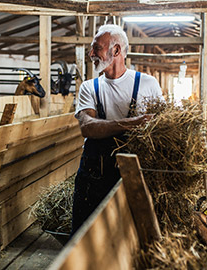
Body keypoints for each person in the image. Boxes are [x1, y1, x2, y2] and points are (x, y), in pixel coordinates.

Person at [71, 24, 164, 235]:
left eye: (96, 48)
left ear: (116, 51)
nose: (91, 53)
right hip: (94, 172)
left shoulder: (148, 84)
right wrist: (133, 123)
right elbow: (88, 128)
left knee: (128, 232)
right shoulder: (89, 87)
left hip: (135, 170)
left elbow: (160, 128)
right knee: (83, 232)